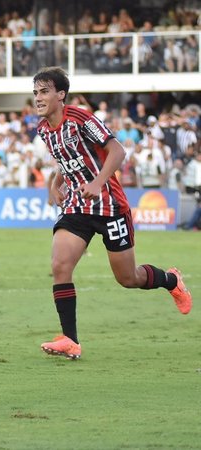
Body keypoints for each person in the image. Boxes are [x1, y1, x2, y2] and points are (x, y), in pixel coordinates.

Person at [32, 66, 192, 360]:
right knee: (60, 266)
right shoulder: (43, 129)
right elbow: (67, 160)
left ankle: (171, 281)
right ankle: (70, 340)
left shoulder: (80, 118)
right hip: (78, 206)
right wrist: (55, 183)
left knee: (128, 278)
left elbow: (117, 151)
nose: (38, 98)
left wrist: (97, 181)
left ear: (60, 94)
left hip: (110, 206)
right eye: (35, 93)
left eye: (44, 91)